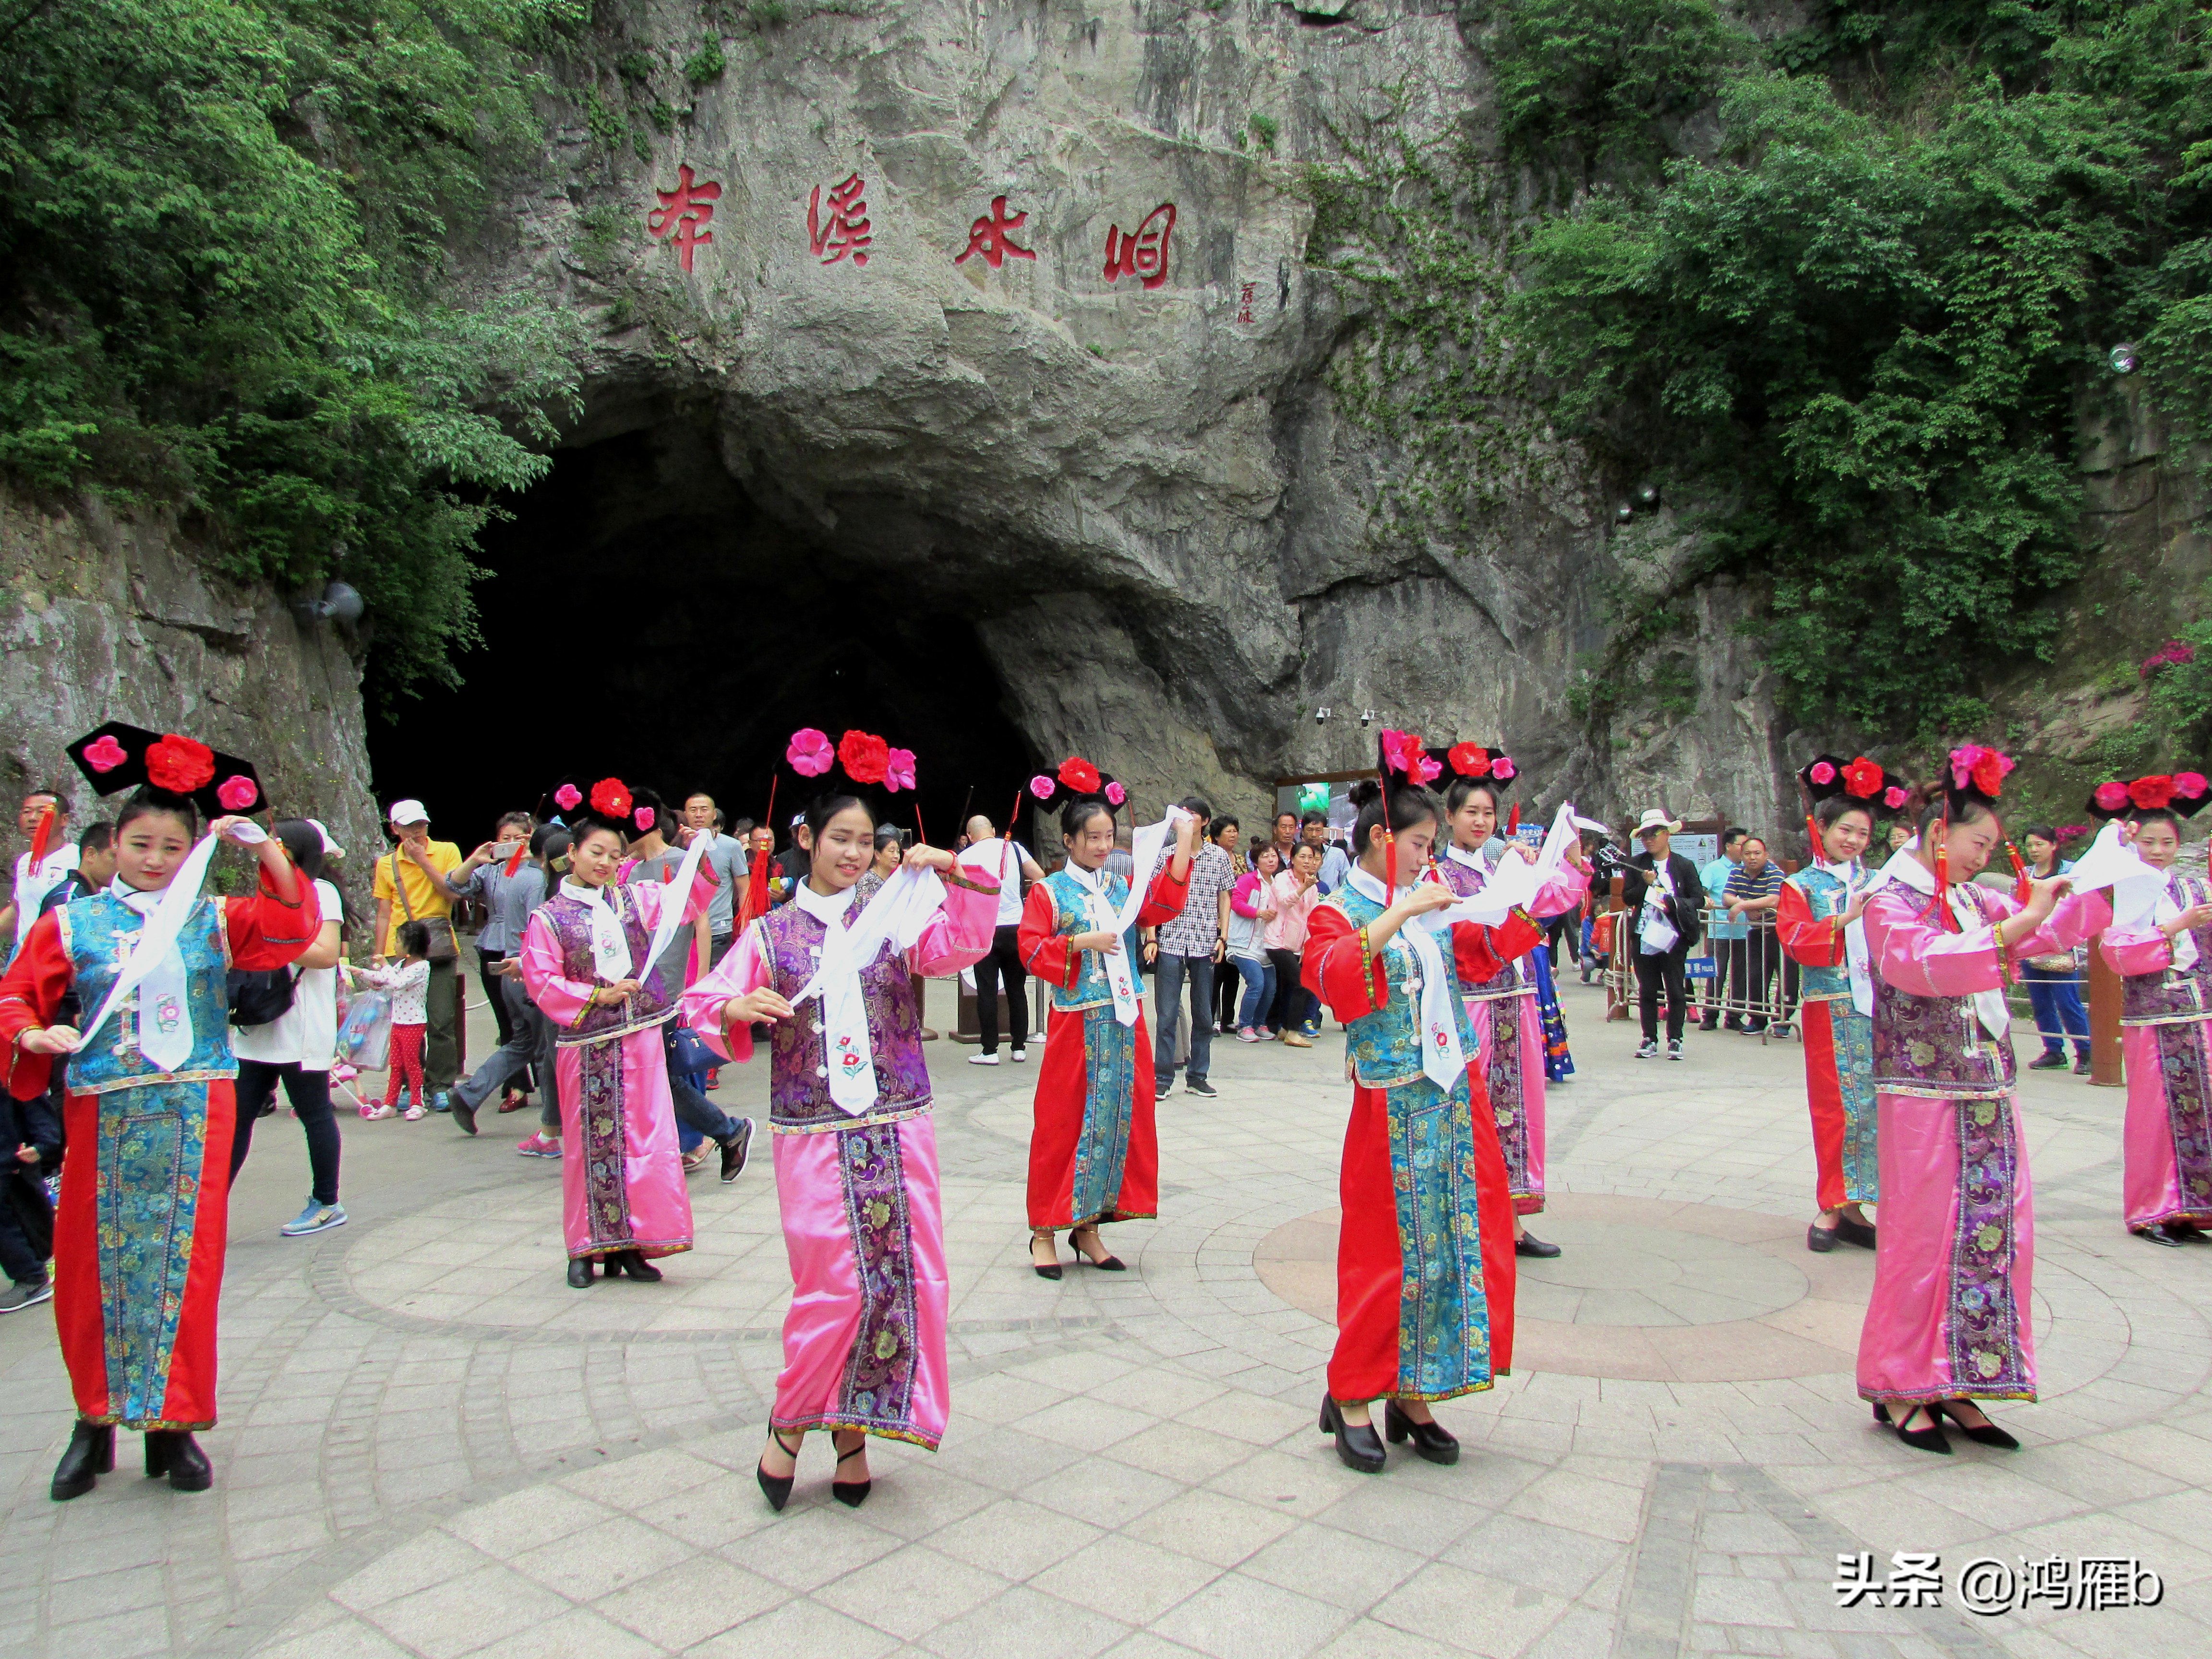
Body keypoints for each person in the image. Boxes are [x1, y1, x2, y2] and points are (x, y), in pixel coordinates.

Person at [681, 730, 998, 1510]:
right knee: (832, 1289)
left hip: (896, 1125)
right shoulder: (770, 933)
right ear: (807, 840)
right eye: (840, 840)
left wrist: (956, 872)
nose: (855, 854)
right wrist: (734, 1007)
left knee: (894, 1286)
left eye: (865, 842)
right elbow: (700, 1002)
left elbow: (959, 947)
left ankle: (852, 1434)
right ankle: (791, 1422)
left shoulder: (892, 917)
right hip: (814, 1133)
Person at [0, 722, 319, 1499]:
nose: (154, 859)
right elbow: (16, 993)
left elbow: (291, 927)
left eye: (172, 847)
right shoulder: (72, 923)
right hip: (105, 1113)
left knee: (188, 1266)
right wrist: (32, 1033)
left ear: (191, 852)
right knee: (92, 1267)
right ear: (113, 844)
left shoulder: (213, 918)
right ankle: (94, 1421)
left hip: (194, 1112)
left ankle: (174, 1425)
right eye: (140, 844)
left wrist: (266, 849)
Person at [1858, 749, 2110, 1454]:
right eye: (1980, 843)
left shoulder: (1971, 899)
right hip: (1922, 1097)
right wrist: (2018, 924)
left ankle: (1960, 1378)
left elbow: (2046, 934)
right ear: (1941, 834)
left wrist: (2097, 887)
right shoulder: (1890, 902)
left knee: (1990, 1237)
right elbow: (1923, 965)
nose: (1985, 857)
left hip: (1988, 1092)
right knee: (1921, 1241)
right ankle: (1901, 1383)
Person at [1300, 750, 1536, 1473]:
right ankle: (1351, 1394)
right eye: (1419, 844)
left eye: (1431, 845)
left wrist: (1527, 893)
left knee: (1451, 1245)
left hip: (1452, 1096)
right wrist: (1401, 912)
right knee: (1385, 1253)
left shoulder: (1427, 901)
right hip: (1391, 1104)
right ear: (1382, 838)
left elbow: (1478, 954)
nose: (1428, 857)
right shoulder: (1340, 911)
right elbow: (1333, 978)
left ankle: (1416, 1392)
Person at [517, 776, 718, 1288]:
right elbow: (542, 979)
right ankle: (584, 1248)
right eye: (595, 853)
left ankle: (632, 1245)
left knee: (644, 1141)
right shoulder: (549, 918)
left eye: (613, 855)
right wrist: (596, 996)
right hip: (586, 1044)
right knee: (588, 1144)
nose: (605, 863)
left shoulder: (633, 899)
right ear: (572, 854)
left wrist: (697, 852)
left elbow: (687, 900)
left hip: (639, 1039)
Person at [1014, 768, 1195, 1277]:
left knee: (1117, 1123)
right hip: (1077, 1026)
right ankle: (1044, 1231)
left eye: (1108, 837)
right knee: (1063, 1124)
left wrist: (1184, 840)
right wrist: (1079, 943)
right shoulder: (1049, 893)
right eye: (1091, 837)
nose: (1101, 846)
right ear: (1068, 840)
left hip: (1124, 1021)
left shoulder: (1121, 887)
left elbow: (1163, 904)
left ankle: (1089, 1225)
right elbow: (1030, 949)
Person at [1431, 746, 1591, 1256]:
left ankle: (1513, 1223)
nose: (1480, 821)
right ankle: (1471, 1223)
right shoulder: (1440, 877)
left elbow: (1551, 900)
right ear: (1449, 816)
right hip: (1472, 1005)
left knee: (1520, 1111)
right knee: (1473, 1114)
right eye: (1470, 812)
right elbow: (1458, 945)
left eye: (1488, 812)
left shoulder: (1503, 866)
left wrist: (1565, 862)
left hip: (1516, 1003)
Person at [1778, 757, 1899, 1254]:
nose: (1853, 840)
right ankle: (1832, 1203)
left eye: (1863, 833)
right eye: (1845, 830)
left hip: (1883, 1008)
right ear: (1823, 829)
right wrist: (1845, 920)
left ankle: (1858, 1205)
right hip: (1830, 1007)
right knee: (1836, 1107)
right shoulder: (1802, 886)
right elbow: (1794, 939)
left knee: (1878, 1106)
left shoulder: (1884, 882)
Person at [2091, 776, 2212, 1244]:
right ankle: (2151, 1210)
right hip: (2154, 1019)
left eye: (2167, 843)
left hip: (2200, 1017)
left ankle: (2192, 1209)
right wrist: (2175, 927)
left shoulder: (2197, 888)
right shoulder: (2123, 892)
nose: (2158, 851)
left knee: (2201, 1111)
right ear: (2132, 844)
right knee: (2154, 1116)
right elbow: (2118, 954)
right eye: (2149, 843)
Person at [230, 820, 348, 1235]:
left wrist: (273, 941)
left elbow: (327, 954)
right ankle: (207, 1208)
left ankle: (327, 1202)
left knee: (314, 1113)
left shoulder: (322, 892)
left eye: (279, 847)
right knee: (236, 1118)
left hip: (301, 1025)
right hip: (259, 1024)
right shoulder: (266, 892)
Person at [369, 800, 465, 1113]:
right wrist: (379, 954)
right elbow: (385, 912)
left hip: (439, 946)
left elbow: (452, 893)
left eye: (421, 824)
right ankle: (412, 1085)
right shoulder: (387, 864)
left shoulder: (447, 851)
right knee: (406, 1023)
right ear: (395, 829)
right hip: (401, 950)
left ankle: (441, 1085)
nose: (417, 831)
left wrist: (423, 860)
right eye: (409, 826)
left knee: (441, 1019)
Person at [1148, 795, 1232, 1100]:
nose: (1186, 819)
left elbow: (1225, 895)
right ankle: (1162, 1077)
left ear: (1205, 821)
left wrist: (1223, 936)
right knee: (1167, 1014)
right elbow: (1152, 895)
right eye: (1182, 814)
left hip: (1205, 941)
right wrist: (1151, 937)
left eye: (1193, 814)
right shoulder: (1166, 854)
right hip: (1171, 940)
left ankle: (1198, 1076)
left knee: (1204, 1015)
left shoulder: (1219, 856)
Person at [450, 812, 537, 1079]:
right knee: (506, 1016)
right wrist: (474, 859)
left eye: (517, 838)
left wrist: (535, 852)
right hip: (495, 944)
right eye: (505, 838)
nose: (511, 844)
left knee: (535, 1016)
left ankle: (543, 1075)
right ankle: (516, 1083)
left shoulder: (539, 869)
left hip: (531, 945)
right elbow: (455, 885)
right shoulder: (490, 872)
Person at [962, 813, 1045, 1066]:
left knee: (986, 990)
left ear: (969, 837)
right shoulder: (1015, 848)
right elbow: (1039, 875)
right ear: (993, 830)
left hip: (985, 929)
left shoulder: (965, 857)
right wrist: (1028, 906)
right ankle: (1019, 1047)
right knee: (1017, 989)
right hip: (1016, 927)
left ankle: (990, 1050)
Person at [1621, 810, 1704, 1059]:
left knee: (1676, 989)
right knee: (1647, 989)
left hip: (1673, 935)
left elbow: (1697, 898)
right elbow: (1628, 898)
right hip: (1644, 933)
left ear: (1667, 835)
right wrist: (1644, 884)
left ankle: (1676, 1038)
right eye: (1645, 835)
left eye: (1654, 834)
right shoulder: (1637, 864)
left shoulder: (1683, 865)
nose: (1649, 840)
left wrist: (1674, 903)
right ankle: (1649, 1037)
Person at [512, 826, 571, 1161]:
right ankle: (551, 1130)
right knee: (554, 1060)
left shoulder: (551, 902)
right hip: (582, 995)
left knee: (556, 1060)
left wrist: (525, 966)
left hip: (560, 996)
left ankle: (555, 1132)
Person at [2017, 824, 2091, 1074]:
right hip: (2032, 944)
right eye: (2029, 845)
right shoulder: (2025, 874)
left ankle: (2086, 1051)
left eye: (2039, 844)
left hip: (2062, 944)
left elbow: (2079, 905)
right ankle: (2054, 1050)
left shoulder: (2069, 872)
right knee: (2040, 1001)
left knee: (2067, 1001)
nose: (2034, 850)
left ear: (2054, 845)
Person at [351, 925, 434, 1120]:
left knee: (412, 1064)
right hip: (397, 1021)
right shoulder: (401, 965)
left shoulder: (422, 967)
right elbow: (384, 978)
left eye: (398, 941)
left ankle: (418, 1103)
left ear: (411, 945)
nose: (395, 945)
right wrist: (361, 972)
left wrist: (384, 964)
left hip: (414, 1023)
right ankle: (390, 1103)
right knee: (396, 1064)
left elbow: (398, 983)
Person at [2, 789, 76, 963]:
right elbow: (18, 907)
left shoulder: (77, 858)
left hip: (57, 958)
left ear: (64, 820)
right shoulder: (25, 861)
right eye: (27, 812)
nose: (32, 818)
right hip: (23, 957)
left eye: (42, 812)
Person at [681, 793, 751, 970]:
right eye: (693, 810)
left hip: (718, 929)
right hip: (685, 931)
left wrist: (745, 925)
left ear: (714, 815)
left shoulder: (731, 846)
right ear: (686, 814)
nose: (699, 815)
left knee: (713, 980)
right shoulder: (679, 846)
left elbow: (744, 888)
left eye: (704, 810)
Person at [1265, 842, 1326, 1044]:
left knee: (1288, 986)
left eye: (1311, 857)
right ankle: (1293, 1031)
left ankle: (1283, 1027)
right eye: (1303, 857)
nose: (1308, 861)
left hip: (1297, 945)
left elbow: (1312, 918)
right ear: (1292, 859)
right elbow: (1285, 901)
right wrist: (1303, 887)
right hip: (1277, 941)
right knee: (1302, 983)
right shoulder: (1282, 878)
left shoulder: (1313, 887)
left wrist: (1308, 946)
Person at [1723, 836, 1785, 1034]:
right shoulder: (1737, 872)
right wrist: (1747, 906)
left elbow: (1774, 899)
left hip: (1781, 931)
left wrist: (1742, 905)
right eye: (1748, 854)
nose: (1753, 858)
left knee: (1786, 976)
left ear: (1766, 855)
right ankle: (1758, 1019)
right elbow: (1726, 898)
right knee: (1756, 976)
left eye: (1757, 853)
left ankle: (1782, 1021)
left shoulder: (1775, 873)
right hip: (1757, 930)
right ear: (1741, 856)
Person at [1228, 843, 1281, 1040]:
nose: (1271, 860)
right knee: (1257, 984)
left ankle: (1260, 1024)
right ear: (1256, 862)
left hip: (1267, 945)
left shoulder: (1278, 883)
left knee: (1270, 988)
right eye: (1265, 856)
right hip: (1244, 943)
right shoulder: (1248, 880)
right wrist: (1259, 913)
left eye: (1273, 856)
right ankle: (1245, 1026)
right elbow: (1236, 903)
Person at [1699, 828, 1746, 1030]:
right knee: (1716, 974)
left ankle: (1735, 1015)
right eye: (1742, 845)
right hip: (1719, 930)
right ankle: (1710, 1015)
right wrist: (1706, 900)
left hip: (1744, 930)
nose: (1745, 850)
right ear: (1728, 846)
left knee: (1741, 975)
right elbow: (1702, 891)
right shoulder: (1714, 868)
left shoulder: (1748, 869)